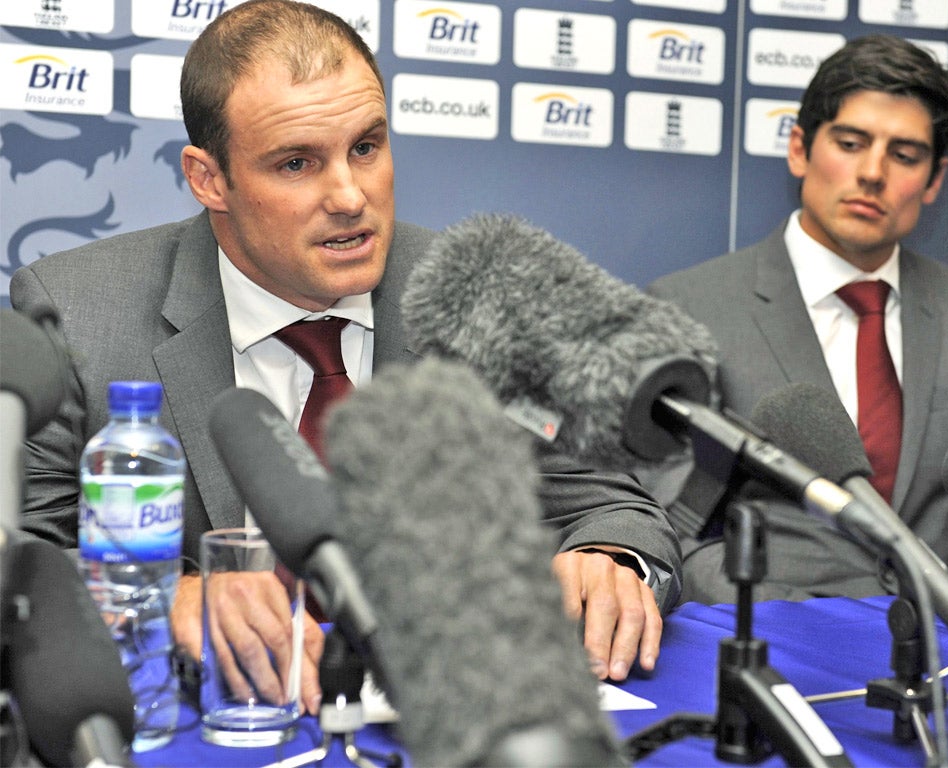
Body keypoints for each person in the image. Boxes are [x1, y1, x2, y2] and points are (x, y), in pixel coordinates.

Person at [10, 0, 685, 717]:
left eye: (366, 147)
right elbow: (21, 554)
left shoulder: (480, 299)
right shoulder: (77, 313)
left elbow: (608, 501)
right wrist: (164, 596)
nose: (349, 196)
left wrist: (610, 562)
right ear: (210, 179)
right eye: (297, 162)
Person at [644, 35, 948, 603]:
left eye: (904, 154)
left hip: (942, 643)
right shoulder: (687, 308)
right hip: (774, 641)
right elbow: (672, 526)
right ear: (800, 149)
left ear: (935, 179)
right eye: (851, 142)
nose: (873, 173)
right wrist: (785, 629)